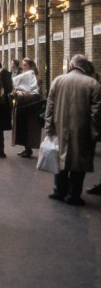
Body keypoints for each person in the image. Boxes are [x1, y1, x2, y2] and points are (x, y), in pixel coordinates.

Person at [43, 54, 101, 205]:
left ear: (72, 65)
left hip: (59, 127)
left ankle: (58, 191)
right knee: (78, 163)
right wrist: (95, 133)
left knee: (60, 159)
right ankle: (73, 195)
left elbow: (49, 107)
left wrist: (49, 128)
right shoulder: (93, 84)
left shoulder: (58, 80)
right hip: (82, 130)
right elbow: (96, 113)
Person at [12, 57, 43, 158]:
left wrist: (23, 93)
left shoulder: (36, 78)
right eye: (23, 65)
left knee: (29, 130)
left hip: (31, 109)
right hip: (24, 108)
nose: (23, 67)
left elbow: (36, 94)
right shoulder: (23, 77)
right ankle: (26, 148)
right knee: (23, 129)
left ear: (30, 66)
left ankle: (28, 149)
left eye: (25, 65)